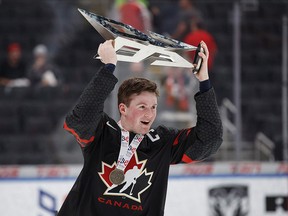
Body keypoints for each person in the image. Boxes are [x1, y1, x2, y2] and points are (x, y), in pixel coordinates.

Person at [57, 40, 222, 215]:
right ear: (123, 108)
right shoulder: (102, 133)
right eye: (142, 107)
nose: (149, 114)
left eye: (153, 107)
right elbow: (79, 119)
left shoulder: (161, 143)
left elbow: (209, 140)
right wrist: (108, 68)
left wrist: (204, 81)